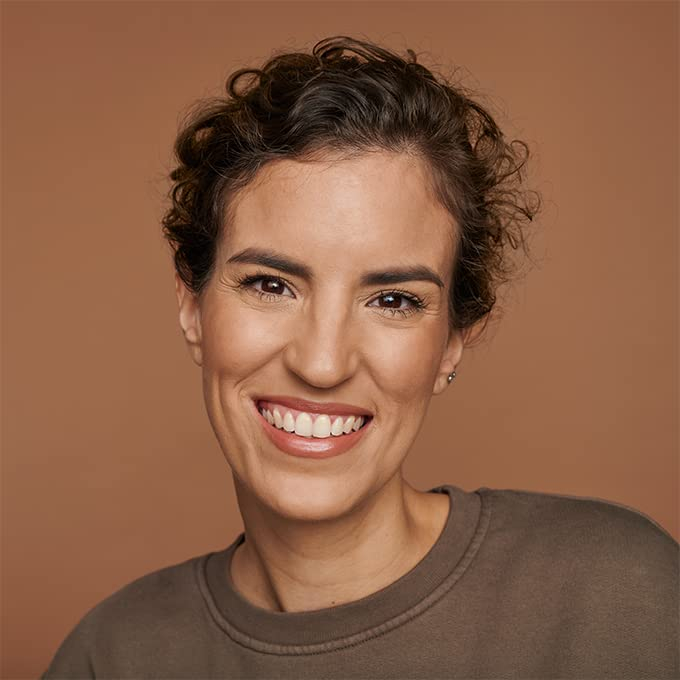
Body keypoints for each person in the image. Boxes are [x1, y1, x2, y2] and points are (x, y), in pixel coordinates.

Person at [42, 36, 678, 679]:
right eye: (271, 285)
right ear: (192, 307)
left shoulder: (617, 594)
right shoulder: (113, 656)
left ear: (452, 341)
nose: (322, 364)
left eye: (393, 300)